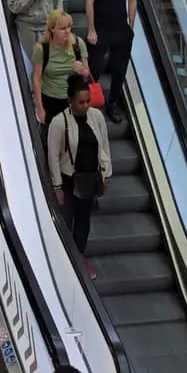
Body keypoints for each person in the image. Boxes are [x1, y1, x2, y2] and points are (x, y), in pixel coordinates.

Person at [47, 74, 111, 266]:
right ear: (70, 101)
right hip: (69, 179)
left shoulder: (96, 116)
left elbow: (104, 146)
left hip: (91, 177)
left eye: (87, 101)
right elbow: (53, 155)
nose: (85, 106)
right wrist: (57, 186)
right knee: (66, 221)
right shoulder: (59, 122)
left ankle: (78, 259)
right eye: (80, 102)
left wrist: (106, 174)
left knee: (84, 221)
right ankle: (62, 260)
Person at [85, 0, 138, 123]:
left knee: (120, 69)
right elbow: (89, 1)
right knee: (95, 67)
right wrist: (91, 29)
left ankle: (113, 104)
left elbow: (132, 0)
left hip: (121, 30)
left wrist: (131, 27)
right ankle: (89, 103)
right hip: (100, 29)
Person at [32, 11, 89, 127]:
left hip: (73, 100)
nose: (67, 31)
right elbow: (36, 79)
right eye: (62, 28)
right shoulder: (42, 49)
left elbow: (87, 73)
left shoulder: (78, 44)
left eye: (69, 27)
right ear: (52, 29)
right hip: (50, 99)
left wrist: (82, 70)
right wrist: (39, 107)